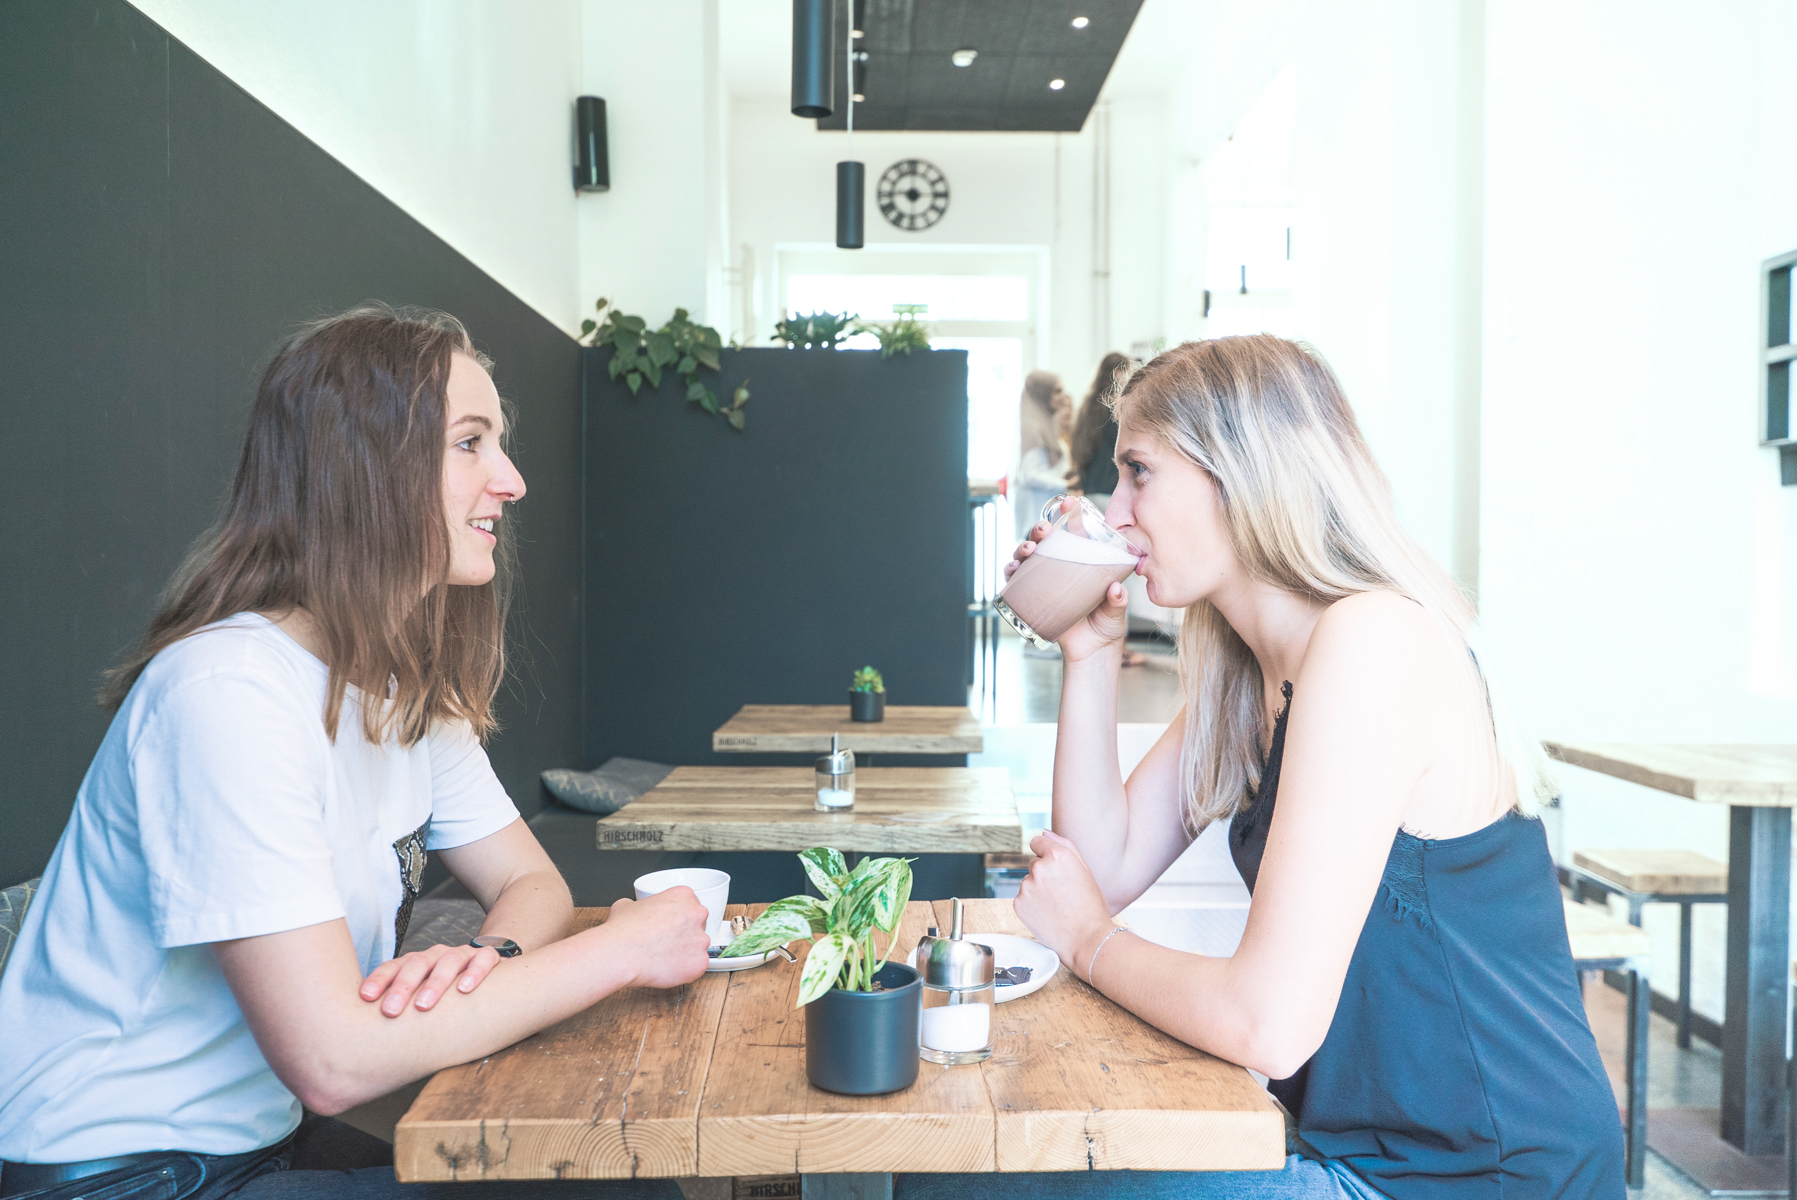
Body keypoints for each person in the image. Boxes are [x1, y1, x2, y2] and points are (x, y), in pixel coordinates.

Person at [0, 306, 712, 1200]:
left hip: (258, 1145)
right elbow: (334, 1059)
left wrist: (490, 959)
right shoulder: (225, 694)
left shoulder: (404, 687)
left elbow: (532, 887)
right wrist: (624, 948)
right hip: (122, 1175)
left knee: (613, 1173)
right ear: (364, 467)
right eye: (470, 443)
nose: (512, 480)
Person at [904, 335, 1623, 1199]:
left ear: (1240, 474)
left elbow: (1267, 1023)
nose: (1116, 508)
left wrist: (1093, 942)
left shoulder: (1373, 642)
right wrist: (1087, 654)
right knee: (949, 1157)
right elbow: (1099, 867)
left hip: (1475, 1176)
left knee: (965, 1174)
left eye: (1138, 472)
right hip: (1358, 1151)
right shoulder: (1252, 671)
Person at [1066, 352, 1148, 667]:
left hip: (1091, 499)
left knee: (1097, 578)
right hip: (1112, 498)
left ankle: (1100, 644)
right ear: (1118, 374)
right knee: (1117, 580)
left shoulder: (1087, 411)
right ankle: (1121, 649)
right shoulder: (1117, 413)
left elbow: (1081, 456)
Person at [1012, 369, 1073, 542]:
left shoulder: (1044, 423)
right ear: (1043, 393)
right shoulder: (1032, 427)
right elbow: (1029, 475)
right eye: (1057, 391)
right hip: (1034, 519)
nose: (1063, 396)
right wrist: (1064, 483)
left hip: (1043, 517)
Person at [1067, 351, 1129, 508]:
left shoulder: (1087, 407)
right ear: (1117, 373)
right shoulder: (1114, 409)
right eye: (1127, 373)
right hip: (1109, 490)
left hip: (1089, 491)